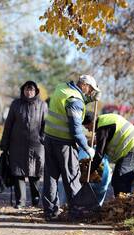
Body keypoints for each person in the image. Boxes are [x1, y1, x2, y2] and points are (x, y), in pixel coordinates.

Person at [42, 74, 101, 221]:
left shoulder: (62, 88)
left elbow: (74, 101)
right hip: (64, 144)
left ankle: (50, 213)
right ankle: (76, 212)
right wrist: (87, 148)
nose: (90, 92)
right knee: (72, 178)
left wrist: (92, 99)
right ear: (84, 85)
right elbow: (75, 129)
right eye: (91, 89)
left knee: (51, 177)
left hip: (49, 139)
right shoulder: (75, 101)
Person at [0, 81, 48, 209]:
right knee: (18, 173)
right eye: (27, 89)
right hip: (17, 145)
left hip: (36, 145)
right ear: (23, 90)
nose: (29, 92)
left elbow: (45, 124)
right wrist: (4, 143)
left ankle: (35, 199)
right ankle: (20, 201)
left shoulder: (42, 105)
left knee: (35, 173)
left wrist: (42, 138)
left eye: (31, 90)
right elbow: (8, 124)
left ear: (36, 91)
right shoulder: (16, 104)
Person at [87, 113, 134, 197]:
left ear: (92, 123)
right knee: (119, 180)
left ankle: (123, 204)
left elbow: (99, 155)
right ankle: (124, 203)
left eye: (87, 127)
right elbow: (111, 136)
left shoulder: (102, 128)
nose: (89, 131)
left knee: (120, 179)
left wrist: (89, 172)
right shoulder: (105, 120)